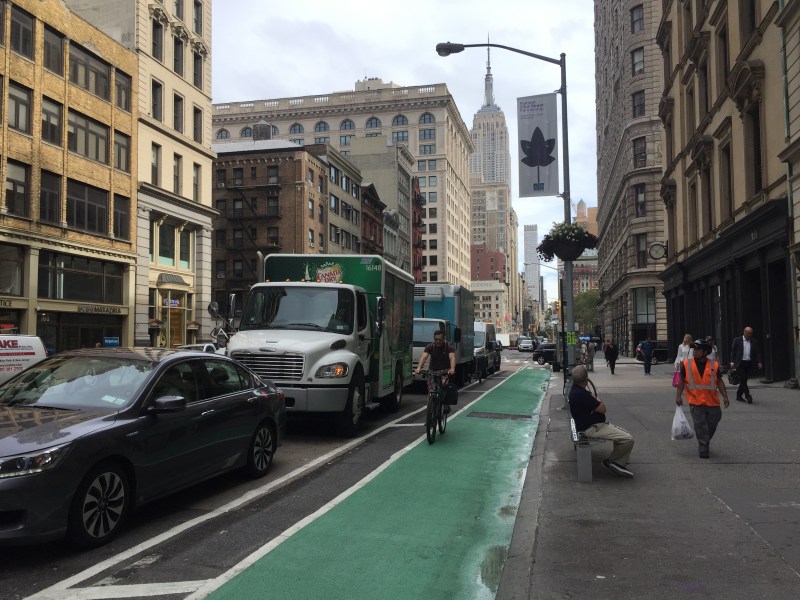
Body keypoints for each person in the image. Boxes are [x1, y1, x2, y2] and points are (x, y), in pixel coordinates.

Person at [568, 365, 634, 477]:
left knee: (623, 433)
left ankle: (619, 461)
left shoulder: (576, 391)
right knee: (628, 439)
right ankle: (614, 462)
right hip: (592, 428)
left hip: (591, 425)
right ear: (587, 379)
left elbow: (597, 405)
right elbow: (603, 409)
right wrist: (597, 401)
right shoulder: (582, 394)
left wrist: (596, 404)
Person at [675, 338, 730, 458]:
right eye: (694, 349)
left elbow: (719, 381)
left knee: (714, 421)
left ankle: (704, 439)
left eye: (698, 349)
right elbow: (681, 381)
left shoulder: (714, 365)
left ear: (705, 352)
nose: (695, 351)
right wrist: (678, 397)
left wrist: (725, 396)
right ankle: (703, 447)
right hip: (695, 400)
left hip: (712, 401)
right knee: (700, 424)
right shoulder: (687, 364)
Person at [415, 330, 456, 404]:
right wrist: (419, 368)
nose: (438, 341)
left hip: (444, 371)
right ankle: (431, 405)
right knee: (431, 389)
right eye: (436, 339)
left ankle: (445, 404)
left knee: (444, 384)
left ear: (444, 338)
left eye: (440, 340)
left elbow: (452, 358)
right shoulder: (430, 346)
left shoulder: (449, 347)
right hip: (432, 371)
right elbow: (424, 357)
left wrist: (452, 369)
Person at [730, 326, 763, 404]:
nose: (749, 335)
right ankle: (748, 396)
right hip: (740, 363)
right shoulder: (737, 340)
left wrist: (759, 362)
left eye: (751, 333)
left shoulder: (754, 341)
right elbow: (733, 351)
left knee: (744, 380)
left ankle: (738, 395)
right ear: (744, 332)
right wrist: (732, 362)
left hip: (749, 363)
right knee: (743, 378)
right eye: (748, 333)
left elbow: (757, 352)